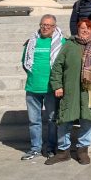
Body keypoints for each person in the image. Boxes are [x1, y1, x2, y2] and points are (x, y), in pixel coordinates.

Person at [45, 19, 91, 165]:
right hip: (71, 90)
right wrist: (57, 86)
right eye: (82, 28)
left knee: (87, 121)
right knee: (65, 120)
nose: (85, 30)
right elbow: (57, 67)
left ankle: (83, 150)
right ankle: (63, 151)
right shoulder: (69, 45)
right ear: (77, 29)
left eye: (88, 28)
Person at [20, 15, 65, 160]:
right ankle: (35, 148)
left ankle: (51, 148)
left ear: (54, 27)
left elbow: (64, 65)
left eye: (49, 25)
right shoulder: (32, 42)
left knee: (52, 120)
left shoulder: (61, 42)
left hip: (51, 88)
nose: (45, 27)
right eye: (43, 25)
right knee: (34, 121)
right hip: (33, 87)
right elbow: (25, 62)